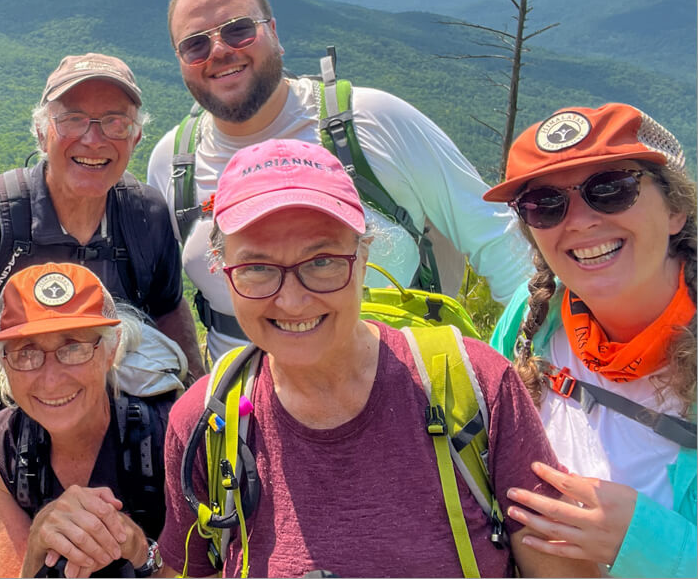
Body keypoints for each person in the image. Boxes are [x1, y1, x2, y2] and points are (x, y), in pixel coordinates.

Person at [158, 138, 597, 577]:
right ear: (223, 271)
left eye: (322, 261)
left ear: (363, 256)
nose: (291, 300)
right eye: (257, 268)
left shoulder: (475, 385)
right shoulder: (206, 422)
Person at [0, 53, 199, 578]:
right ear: (42, 132)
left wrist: (192, 415)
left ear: (135, 137)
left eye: (115, 122)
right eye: (73, 119)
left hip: (126, 455)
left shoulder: (145, 217)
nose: (94, 138)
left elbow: (170, 306)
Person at [146, 0, 533, 360]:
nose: (220, 51)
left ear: (274, 33)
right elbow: (163, 296)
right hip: (242, 394)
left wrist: (531, 362)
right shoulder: (172, 162)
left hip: (405, 384)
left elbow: (498, 239)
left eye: (239, 30)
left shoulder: (375, 121)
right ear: (180, 60)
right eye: (195, 45)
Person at [484, 104, 696, 577]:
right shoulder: (532, 320)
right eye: (544, 203)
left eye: (611, 189)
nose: (579, 222)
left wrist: (650, 545)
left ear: (675, 209)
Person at [0, 262, 170, 578]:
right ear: (4, 364)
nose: (51, 381)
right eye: (26, 353)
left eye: (74, 348)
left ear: (111, 350)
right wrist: (37, 543)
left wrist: (138, 549)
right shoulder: (0, 449)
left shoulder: (167, 434)